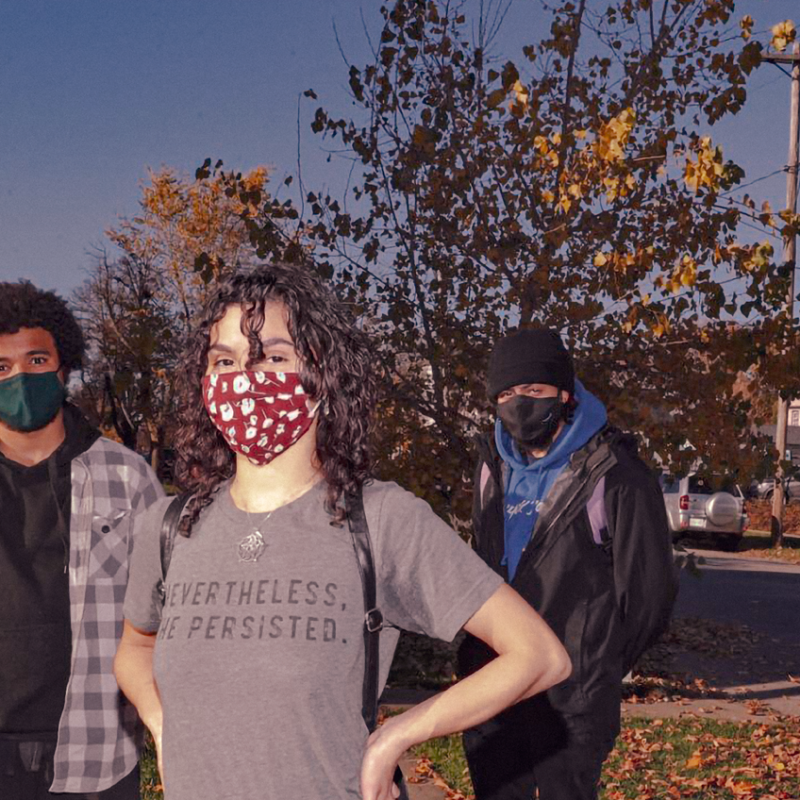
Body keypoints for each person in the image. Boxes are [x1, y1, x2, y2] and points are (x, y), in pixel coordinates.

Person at [113, 264, 571, 800]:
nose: (245, 379)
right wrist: (162, 725)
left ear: (323, 377)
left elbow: (538, 655)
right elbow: (133, 649)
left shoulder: (380, 519)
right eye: (225, 361)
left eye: (274, 357)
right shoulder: (170, 526)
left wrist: (395, 737)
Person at [458, 327, 677, 800]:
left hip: (570, 702)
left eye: (534, 391)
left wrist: (595, 668)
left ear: (564, 393)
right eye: (507, 393)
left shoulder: (616, 475)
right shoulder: (489, 468)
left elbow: (649, 597)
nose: (519, 403)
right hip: (491, 691)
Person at [0, 281, 164, 798]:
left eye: (36, 359)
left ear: (64, 368)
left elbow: (170, 608)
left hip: (97, 751)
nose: (20, 377)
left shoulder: (129, 476)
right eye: (0, 368)